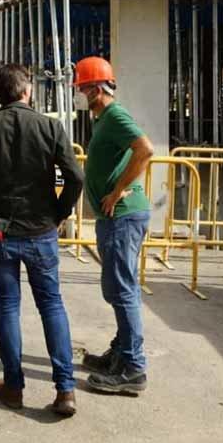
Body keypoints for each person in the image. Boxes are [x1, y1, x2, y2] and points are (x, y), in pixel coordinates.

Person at [0, 64, 83, 417]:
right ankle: (65, 389)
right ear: (27, 90)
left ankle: (13, 386)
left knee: (7, 305)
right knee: (52, 305)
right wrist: (59, 214)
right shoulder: (50, 126)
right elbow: (75, 177)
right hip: (41, 228)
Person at [74, 56, 154, 395]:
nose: (77, 94)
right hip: (115, 219)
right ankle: (120, 352)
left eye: (80, 88)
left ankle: (133, 368)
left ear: (94, 89)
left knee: (122, 292)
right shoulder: (102, 118)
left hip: (123, 218)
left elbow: (145, 149)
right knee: (118, 289)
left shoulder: (116, 116)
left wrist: (118, 190)